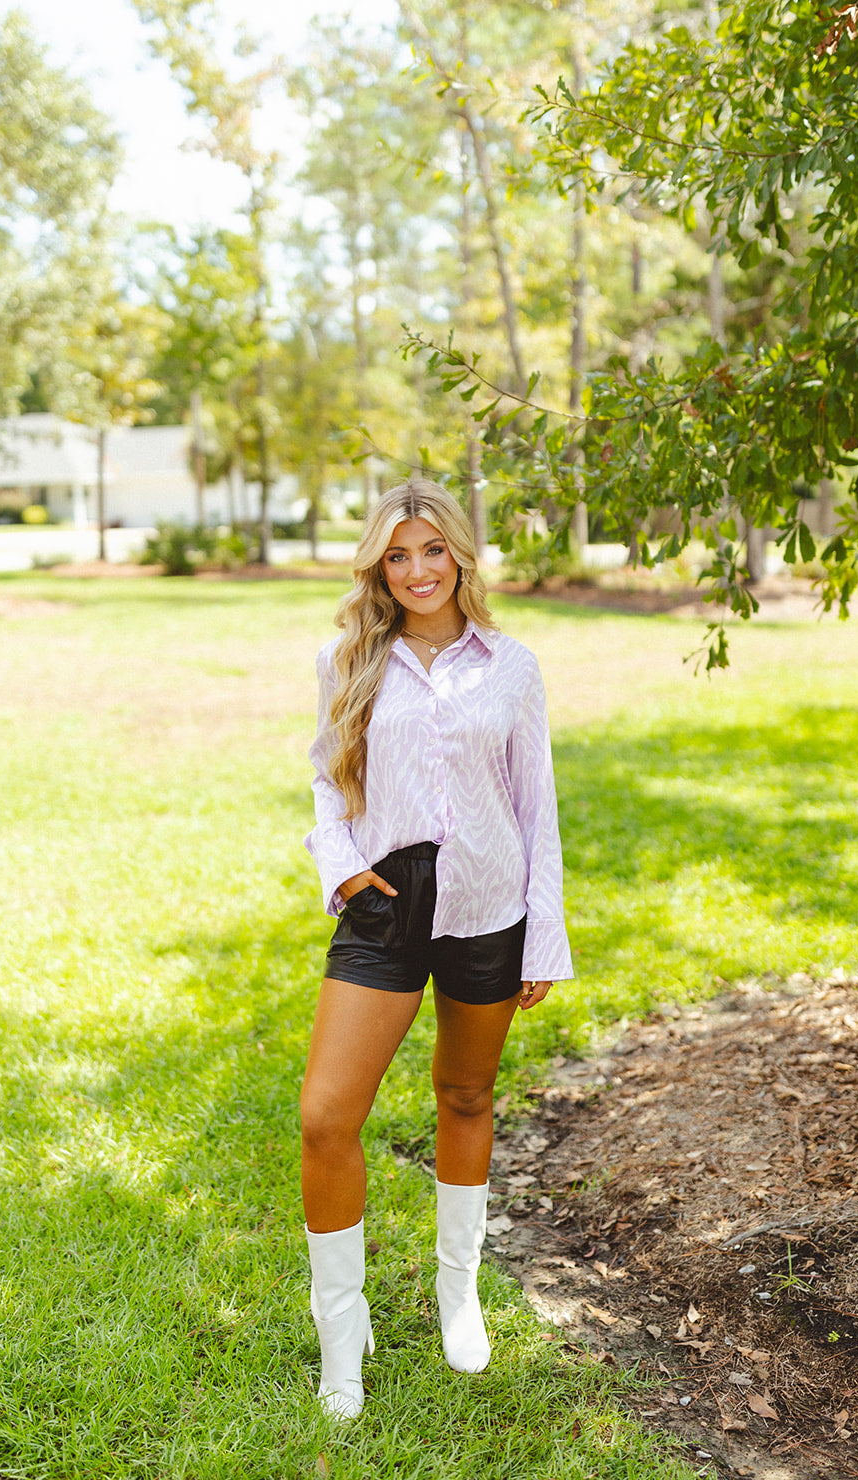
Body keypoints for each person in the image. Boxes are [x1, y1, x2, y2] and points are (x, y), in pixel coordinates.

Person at [301, 478, 572, 1420]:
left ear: (459, 555)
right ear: (379, 566)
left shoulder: (511, 666)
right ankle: (344, 1333)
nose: (417, 571)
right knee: (326, 1117)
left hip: (490, 902)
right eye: (397, 555)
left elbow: (535, 805)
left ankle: (459, 1292)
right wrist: (340, 868)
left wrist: (544, 933)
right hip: (382, 904)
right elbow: (327, 788)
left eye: (432, 551)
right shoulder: (349, 661)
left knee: (464, 1093)